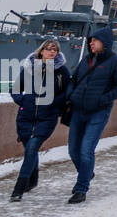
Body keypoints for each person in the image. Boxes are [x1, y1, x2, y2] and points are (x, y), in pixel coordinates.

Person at [66, 26, 117, 204]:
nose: (91, 43)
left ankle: (81, 189)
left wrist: (103, 100)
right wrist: (71, 95)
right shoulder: (86, 60)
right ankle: (87, 173)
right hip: (78, 111)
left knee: (86, 150)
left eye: (95, 40)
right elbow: (74, 79)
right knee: (73, 150)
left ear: (105, 43)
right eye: (90, 40)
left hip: (98, 112)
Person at [8, 39, 71, 201]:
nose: (52, 52)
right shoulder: (29, 68)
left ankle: (18, 189)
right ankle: (33, 180)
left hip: (47, 118)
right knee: (30, 149)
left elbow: (67, 92)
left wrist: (54, 103)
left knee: (31, 149)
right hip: (25, 117)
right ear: (41, 51)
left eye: (55, 50)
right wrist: (23, 101)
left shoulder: (61, 71)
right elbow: (15, 88)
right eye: (49, 49)